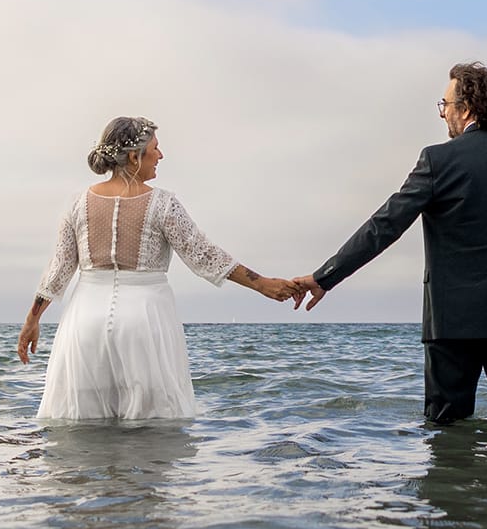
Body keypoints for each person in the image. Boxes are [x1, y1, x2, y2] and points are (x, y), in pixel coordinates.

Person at [291, 62, 487, 424]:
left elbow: (384, 226)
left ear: (466, 109)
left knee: (446, 433)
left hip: (453, 321)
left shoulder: (437, 160)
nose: (443, 113)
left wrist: (325, 277)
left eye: (445, 105)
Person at [18, 116, 296, 422]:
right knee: (154, 433)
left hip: (84, 323)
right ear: (135, 156)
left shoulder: (77, 203)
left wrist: (32, 320)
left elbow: (59, 268)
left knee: (80, 430)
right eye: (156, 148)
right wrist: (262, 284)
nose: (161, 156)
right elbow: (203, 255)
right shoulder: (163, 204)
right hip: (144, 321)